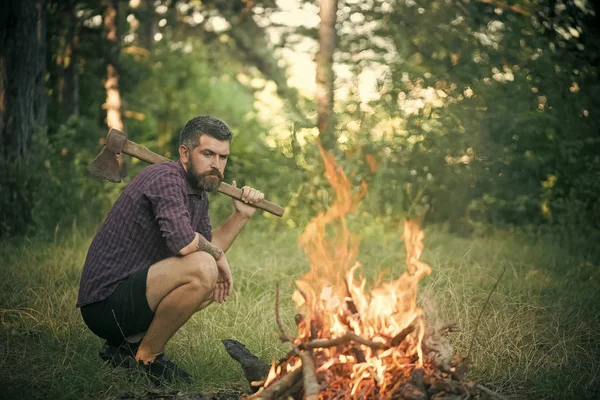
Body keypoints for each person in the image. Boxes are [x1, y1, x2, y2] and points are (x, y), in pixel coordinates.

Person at [77, 116, 265, 383]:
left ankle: (125, 348)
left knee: (207, 273)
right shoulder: (166, 178)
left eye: (223, 157)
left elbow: (208, 245)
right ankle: (147, 357)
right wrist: (217, 257)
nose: (216, 165)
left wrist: (241, 216)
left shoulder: (196, 192)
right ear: (185, 153)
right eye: (208, 154)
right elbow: (187, 245)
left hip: (132, 296)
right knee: (203, 268)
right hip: (105, 302)